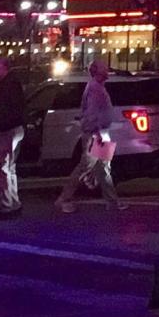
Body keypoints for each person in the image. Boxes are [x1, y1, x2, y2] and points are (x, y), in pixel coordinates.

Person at [56, 57, 121, 212]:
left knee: (103, 166)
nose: (107, 70)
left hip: (100, 132)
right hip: (96, 133)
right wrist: (97, 131)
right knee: (86, 165)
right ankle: (64, 198)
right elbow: (92, 113)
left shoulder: (98, 87)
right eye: (104, 68)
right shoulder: (95, 89)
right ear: (97, 71)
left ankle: (112, 201)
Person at [0, 57, 29, 217]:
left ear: (3, 66)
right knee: (8, 168)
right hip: (12, 129)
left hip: (6, 130)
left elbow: (5, 110)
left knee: (2, 168)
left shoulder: (8, 84)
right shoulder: (11, 83)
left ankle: (8, 206)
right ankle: (13, 203)